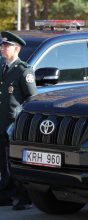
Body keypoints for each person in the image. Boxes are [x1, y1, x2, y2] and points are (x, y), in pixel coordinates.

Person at [0, 31, 37, 210]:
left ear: (16, 48)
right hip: (1, 122)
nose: (2, 48)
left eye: (6, 46)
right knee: (3, 162)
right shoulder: (3, 67)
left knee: (17, 162)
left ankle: (25, 197)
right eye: (1, 45)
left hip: (14, 124)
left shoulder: (23, 70)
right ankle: (7, 194)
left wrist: (20, 124)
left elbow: (31, 100)